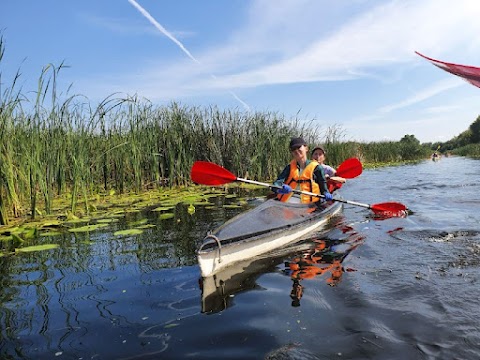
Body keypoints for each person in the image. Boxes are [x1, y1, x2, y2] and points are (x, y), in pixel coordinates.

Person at [274, 137, 333, 203]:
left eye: (299, 147)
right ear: (292, 152)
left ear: (306, 148)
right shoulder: (289, 167)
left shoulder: (317, 168)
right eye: (293, 149)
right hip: (286, 203)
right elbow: (276, 183)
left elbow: (323, 188)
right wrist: (279, 189)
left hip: (308, 205)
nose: (296, 150)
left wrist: (326, 193)